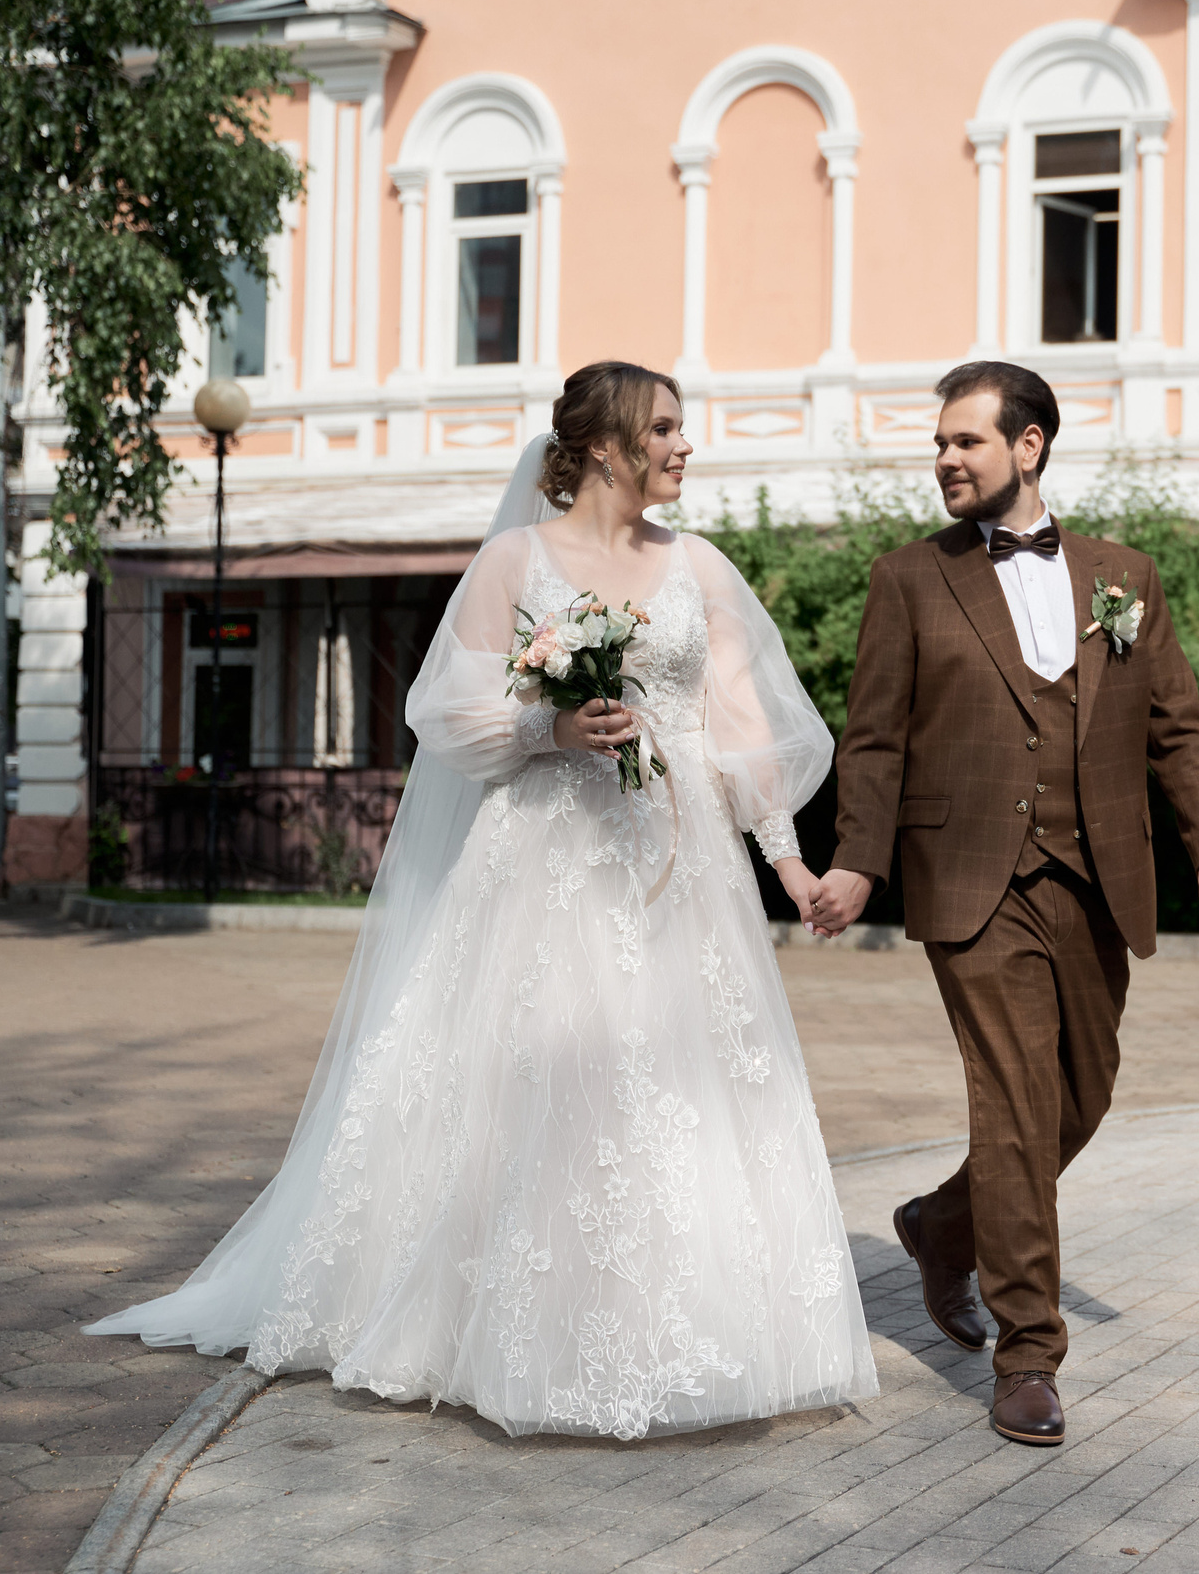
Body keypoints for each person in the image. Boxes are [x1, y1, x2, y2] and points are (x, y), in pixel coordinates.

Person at [87, 361, 877, 1439]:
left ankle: (701, 1328)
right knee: (546, 1077)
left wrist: (789, 867)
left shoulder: (702, 567)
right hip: (546, 862)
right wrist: (549, 728)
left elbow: (736, 730)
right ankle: (505, 1327)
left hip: (682, 873)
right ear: (603, 444)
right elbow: (444, 711)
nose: (686, 447)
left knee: (691, 1080)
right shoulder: (515, 560)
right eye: (666, 428)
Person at [808, 360, 1199, 1446]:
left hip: (1097, 875)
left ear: (1030, 446)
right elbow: (874, 737)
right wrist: (857, 858)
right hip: (970, 880)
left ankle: (938, 1223)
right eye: (939, 444)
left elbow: (1176, 728)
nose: (946, 460)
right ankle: (1029, 1353)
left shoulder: (1124, 576)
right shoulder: (909, 577)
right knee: (1011, 1102)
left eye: (966, 442)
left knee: (1078, 1097)